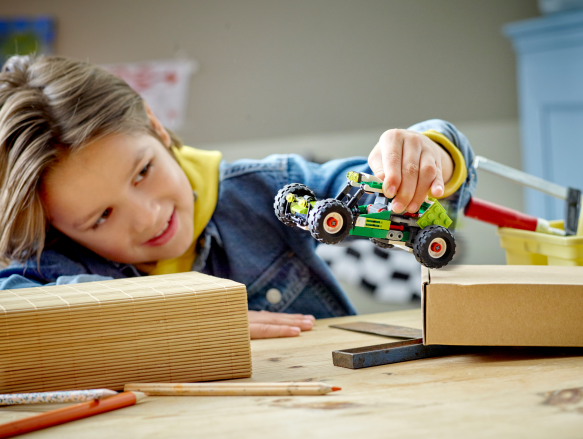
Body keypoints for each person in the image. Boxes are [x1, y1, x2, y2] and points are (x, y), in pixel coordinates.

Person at [0, 55, 477, 338]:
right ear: (56, 225)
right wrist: (173, 316)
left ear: (156, 126)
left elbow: (376, 190)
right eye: (100, 216)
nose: (147, 217)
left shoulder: (263, 188)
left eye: (143, 171)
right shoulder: (51, 263)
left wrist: (428, 154)